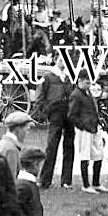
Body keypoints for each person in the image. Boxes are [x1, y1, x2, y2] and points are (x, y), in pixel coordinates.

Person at [37, 50, 74, 189]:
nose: (63, 63)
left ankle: (66, 180)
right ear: (56, 60)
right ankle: (45, 179)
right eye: (61, 60)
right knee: (52, 145)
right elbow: (40, 96)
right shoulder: (48, 76)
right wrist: (46, 111)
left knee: (69, 146)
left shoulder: (69, 78)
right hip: (55, 113)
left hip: (69, 113)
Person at [69, 71, 103, 188]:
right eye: (87, 82)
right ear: (80, 81)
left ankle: (96, 183)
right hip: (85, 129)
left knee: (99, 155)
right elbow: (72, 115)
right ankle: (86, 185)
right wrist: (83, 126)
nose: (89, 85)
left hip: (94, 126)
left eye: (90, 82)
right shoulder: (76, 95)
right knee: (85, 156)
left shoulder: (88, 93)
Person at [14, 147, 46, 216]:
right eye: (39, 165)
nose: (40, 168)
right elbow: (14, 207)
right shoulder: (24, 185)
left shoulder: (27, 183)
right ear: (34, 164)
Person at [0, 111, 32, 179]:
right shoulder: (10, 149)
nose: (27, 133)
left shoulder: (7, 144)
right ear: (18, 129)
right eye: (26, 129)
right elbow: (10, 179)